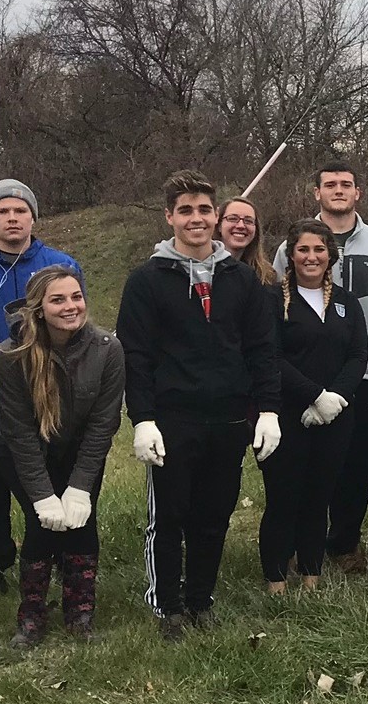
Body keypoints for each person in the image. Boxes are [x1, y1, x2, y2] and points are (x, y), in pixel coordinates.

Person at [116, 170, 282, 641]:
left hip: (228, 418)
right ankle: (167, 605)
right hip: (172, 420)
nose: (196, 219)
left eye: (204, 210)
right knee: (169, 517)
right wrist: (143, 419)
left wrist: (267, 410)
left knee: (214, 517)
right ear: (169, 217)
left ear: (217, 216)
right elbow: (136, 355)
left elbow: (261, 350)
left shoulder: (240, 280)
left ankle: (200, 598)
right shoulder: (148, 280)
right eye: (185, 210)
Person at [270, 162, 368, 572]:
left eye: (346, 185)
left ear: (359, 193)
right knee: (301, 463)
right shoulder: (291, 246)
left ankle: (344, 543)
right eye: (330, 184)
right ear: (316, 192)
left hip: (365, 374)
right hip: (303, 376)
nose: (338, 190)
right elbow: (277, 307)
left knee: (355, 463)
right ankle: (300, 543)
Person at [0, 179, 82, 593]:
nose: (12, 218)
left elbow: (74, 323)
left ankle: (54, 551)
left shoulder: (59, 264)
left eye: (20, 211)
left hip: (44, 391)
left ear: (33, 218)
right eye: (2, 211)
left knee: (46, 477)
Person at [0, 266, 123, 647]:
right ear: (38, 308)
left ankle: (80, 611)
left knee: (82, 521)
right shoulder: (10, 356)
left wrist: (80, 487)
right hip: (22, 449)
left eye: (76, 296)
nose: (71, 306)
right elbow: (18, 431)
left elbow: (103, 423)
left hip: (80, 449)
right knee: (42, 524)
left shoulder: (106, 349)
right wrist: (42, 494)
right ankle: (31, 615)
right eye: (58, 299)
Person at [258, 221, 365, 593]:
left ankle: (311, 574)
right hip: (284, 414)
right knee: (283, 497)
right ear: (291, 255)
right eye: (303, 250)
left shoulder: (346, 303)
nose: (311, 257)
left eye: (319, 250)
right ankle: (275, 577)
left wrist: (334, 398)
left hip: (336, 416)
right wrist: (313, 395)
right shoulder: (272, 300)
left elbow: (357, 355)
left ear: (330, 255)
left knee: (319, 496)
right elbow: (270, 356)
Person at [217, 196, 277, 285]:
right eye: (233, 219)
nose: (241, 226)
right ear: (219, 225)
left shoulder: (266, 276)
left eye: (248, 221)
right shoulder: (204, 271)